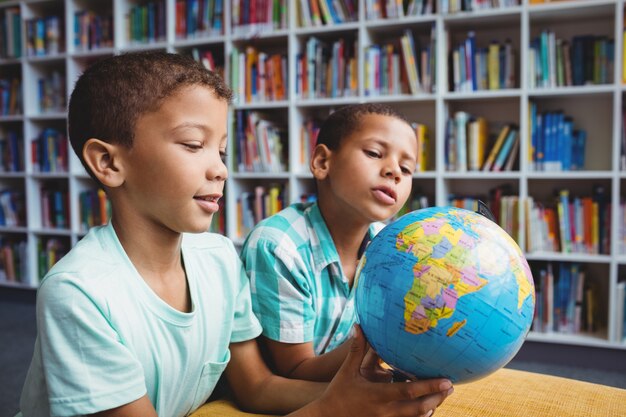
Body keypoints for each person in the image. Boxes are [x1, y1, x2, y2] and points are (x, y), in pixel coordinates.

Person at [16, 52, 453, 417]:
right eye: (192, 145)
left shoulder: (219, 258)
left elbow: (257, 387)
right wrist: (327, 409)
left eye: (221, 150)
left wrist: (356, 401)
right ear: (109, 163)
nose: (220, 169)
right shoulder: (78, 294)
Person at [241, 103, 418, 381]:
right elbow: (295, 370)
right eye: (374, 153)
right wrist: (388, 336)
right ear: (323, 162)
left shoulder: (393, 249)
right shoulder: (279, 246)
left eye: (406, 169)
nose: (394, 171)